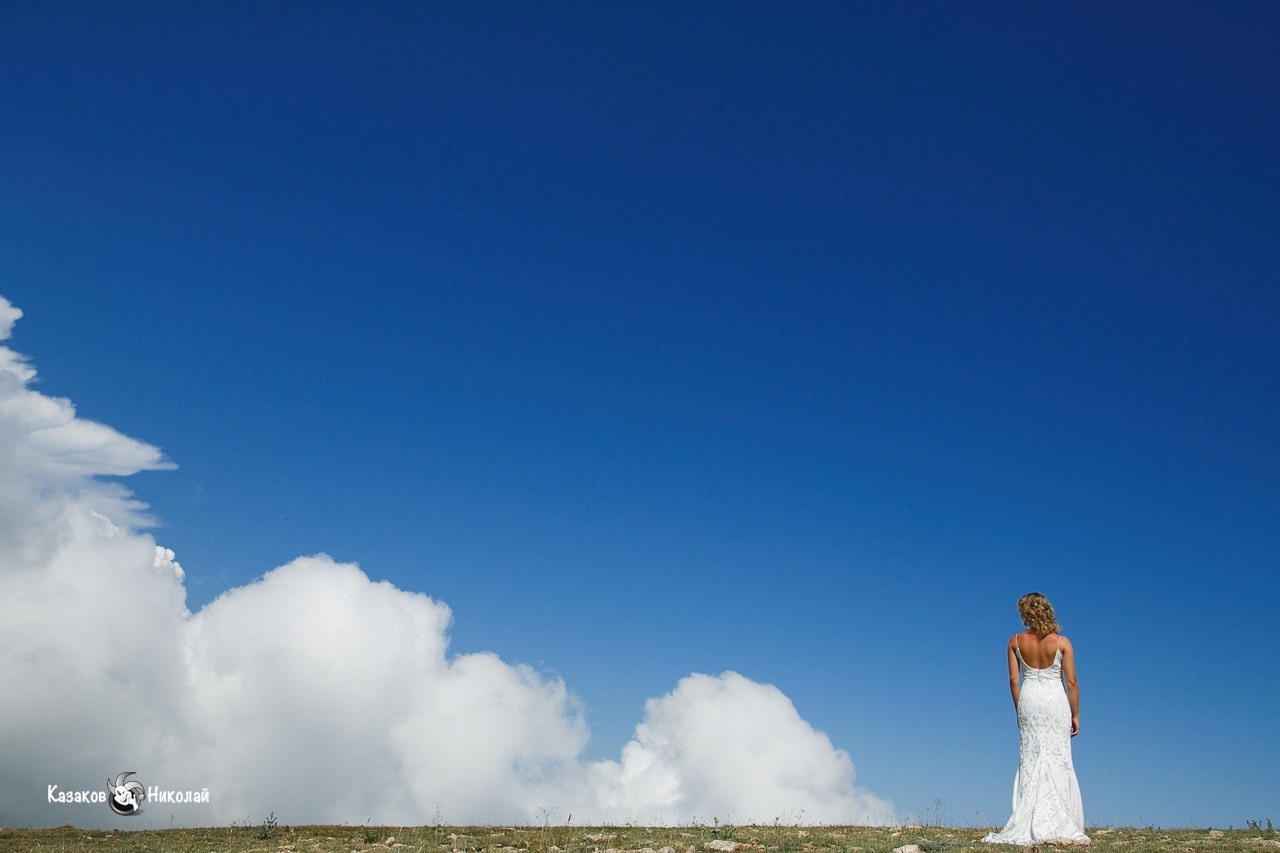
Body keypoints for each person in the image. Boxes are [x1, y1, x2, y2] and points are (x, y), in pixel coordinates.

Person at [982, 592, 1090, 846]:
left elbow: (1013, 680)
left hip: (1029, 698)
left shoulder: (1015, 642)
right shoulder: (1063, 643)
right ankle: (1060, 818)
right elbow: (1071, 682)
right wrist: (1075, 713)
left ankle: (1027, 817)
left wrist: (1019, 709)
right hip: (1054, 700)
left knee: (1031, 757)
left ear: (1027, 614)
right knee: (1057, 756)